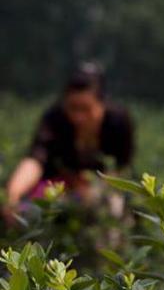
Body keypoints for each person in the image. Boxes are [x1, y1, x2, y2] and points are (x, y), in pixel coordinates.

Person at [2, 63, 135, 229]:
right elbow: (36, 159)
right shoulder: (55, 118)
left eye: (86, 109)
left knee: (111, 210)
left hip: (102, 191)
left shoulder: (117, 121)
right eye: (73, 108)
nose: (78, 117)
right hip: (61, 190)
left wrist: (93, 188)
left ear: (101, 104)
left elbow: (122, 168)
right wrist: (13, 195)